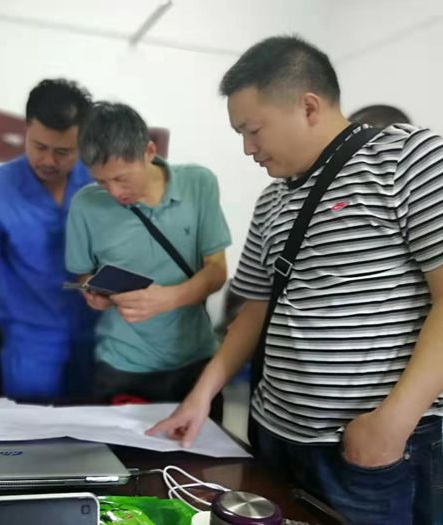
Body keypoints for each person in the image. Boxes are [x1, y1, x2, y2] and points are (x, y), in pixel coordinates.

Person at [148, 35, 443, 524]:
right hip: (275, 438)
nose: (248, 148)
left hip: (366, 449)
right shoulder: (273, 200)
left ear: (308, 106)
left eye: (253, 130)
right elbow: (255, 308)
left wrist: (392, 424)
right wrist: (201, 397)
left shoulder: (409, 159)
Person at [65, 102, 230, 419]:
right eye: (102, 182)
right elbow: (84, 274)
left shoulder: (199, 184)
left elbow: (217, 271)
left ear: (149, 151)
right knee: (117, 451)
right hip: (121, 365)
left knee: (202, 449)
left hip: (195, 361)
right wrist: (92, 292)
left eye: (121, 178)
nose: (114, 192)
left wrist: (167, 298)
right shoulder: (85, 205)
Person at [0, 79, 98, 400]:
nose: (49, 161)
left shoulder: (99, 182)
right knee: (30, 426)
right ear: (26, 130)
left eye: (63, 152)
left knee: (91, 426)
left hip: (97, 337)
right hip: (30, 341)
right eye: (39, 147)